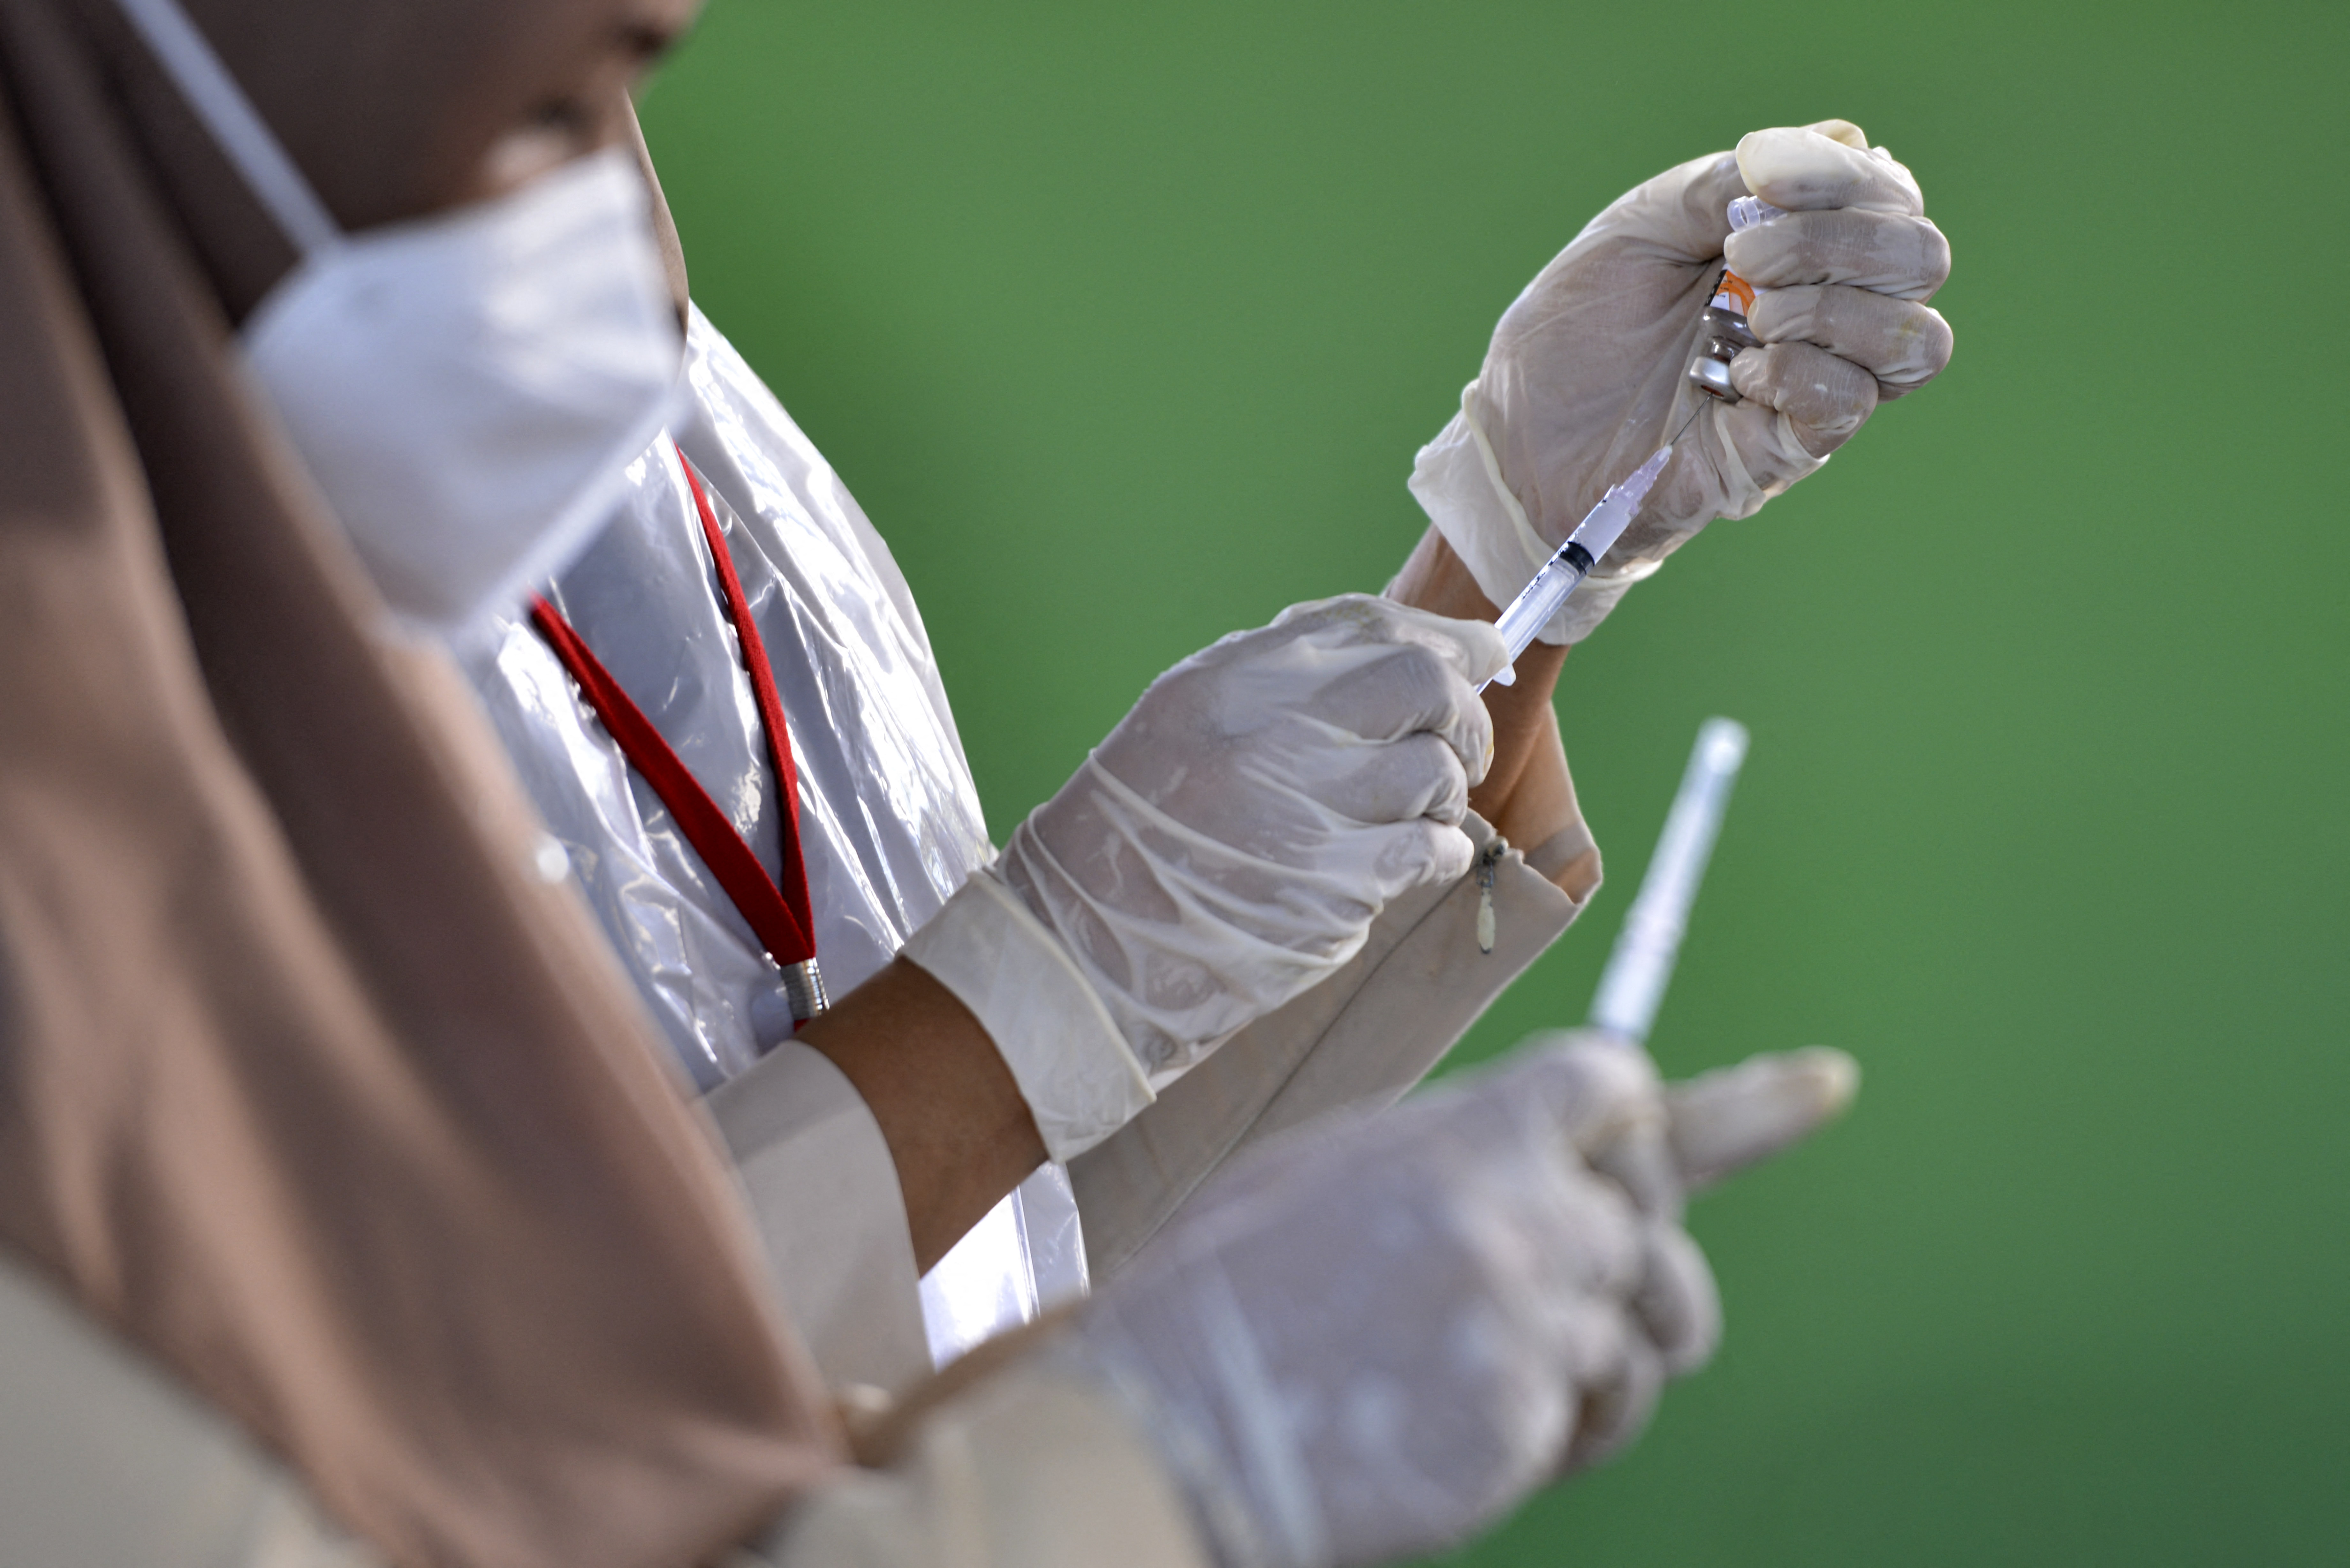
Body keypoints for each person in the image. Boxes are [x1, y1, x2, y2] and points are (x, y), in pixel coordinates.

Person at [0, 0, 1950, 1564]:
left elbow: (970, 1231)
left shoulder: (606, 383)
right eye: (554, 97)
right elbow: (433, 1448)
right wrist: (1157, 1433)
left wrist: (1518, 569)